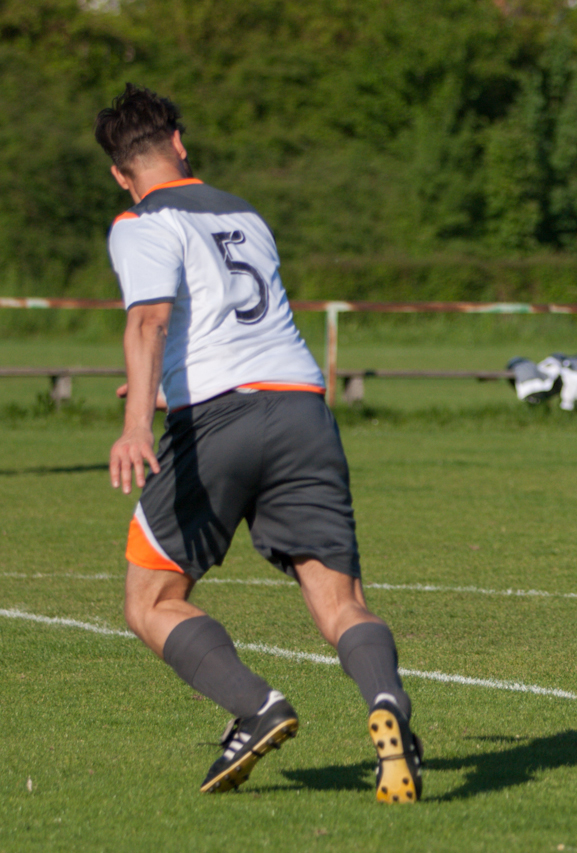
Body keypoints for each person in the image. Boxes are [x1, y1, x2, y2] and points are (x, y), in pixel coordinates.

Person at [97, 84, 422, 803]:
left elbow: (149, 320)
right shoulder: (246, 213)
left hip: (219, 423)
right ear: (179, 143)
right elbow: (237, 326)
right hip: (302, 409)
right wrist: (171, 386)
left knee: (150, 599)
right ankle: (388, 703)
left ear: (120, 173)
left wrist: (136, 424)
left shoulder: (139, 222)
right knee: (340, 601)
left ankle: (256, 707)